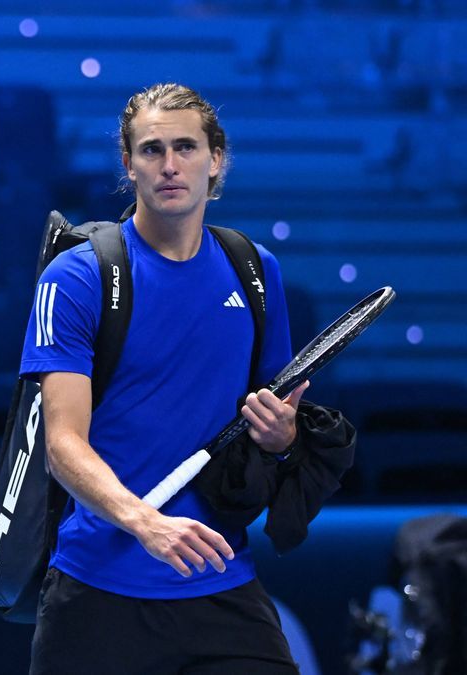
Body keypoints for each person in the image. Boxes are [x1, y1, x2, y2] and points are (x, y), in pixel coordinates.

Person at [21, 83, 306, 674]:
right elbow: (62, 446)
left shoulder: (256, 272)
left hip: (222, 583)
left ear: (216, 159)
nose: (170, 165)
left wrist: (282, 439)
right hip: (97, 592)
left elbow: (271, 426)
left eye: (186, 147)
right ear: (128, 164)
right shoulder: (75, 277)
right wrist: (145, 522)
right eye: (151, 150)